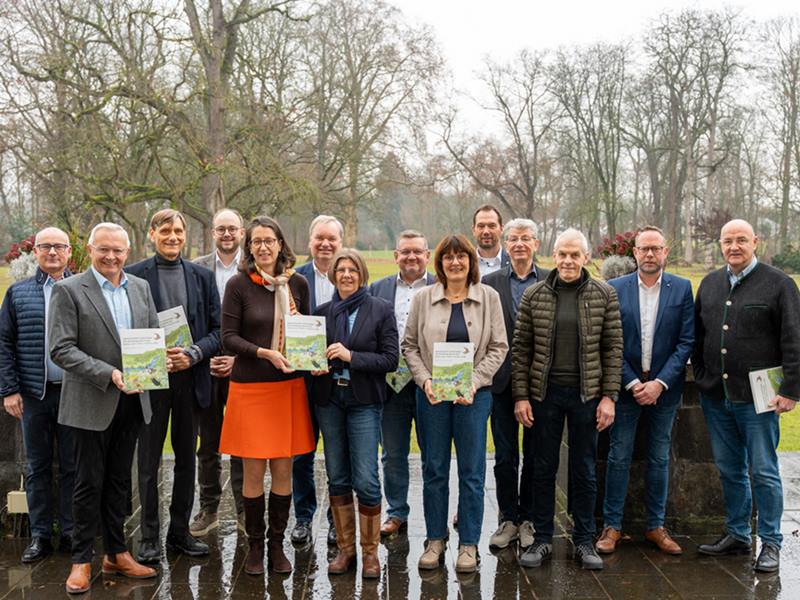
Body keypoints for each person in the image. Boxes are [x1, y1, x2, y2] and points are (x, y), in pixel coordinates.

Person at [49, 223, 159, 594]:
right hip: (91, 401)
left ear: (128, 252)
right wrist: (108, 373)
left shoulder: (140, 287)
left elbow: (151, 334)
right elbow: (61, 349)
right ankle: (81, 560)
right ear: (90, 250)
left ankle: (116, 553)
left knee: (118, 481)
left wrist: (163, 356)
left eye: (118, 250)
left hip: (133, 400)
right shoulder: (69, 290)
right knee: (87, 483)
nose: (111, 257)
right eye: (104, 249)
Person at [511, 228, 622, 571]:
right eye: (562, 254)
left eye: (575, 255)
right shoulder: (534, 295)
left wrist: (609, 397)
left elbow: (613, 348)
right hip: (544, 395)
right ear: (553, 256)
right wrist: (521, 396)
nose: (568, 261)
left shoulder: (604, 294)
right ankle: (543, 538)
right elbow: (521, 350)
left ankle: (584, 539)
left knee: (584, 468)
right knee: (542, 466)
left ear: (586, 257)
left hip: (586, 394)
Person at [693, 219, 800, 573]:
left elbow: (794, 339)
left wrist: (791, 390)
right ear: (720, 244)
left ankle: (770, 541)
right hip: (716, 397)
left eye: (741, 240)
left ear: (755, 242)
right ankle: (738, 534)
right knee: (730, 470)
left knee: (764, 471)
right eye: (727, 241)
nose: (734, 246)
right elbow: (698, 335)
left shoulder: (779, 284)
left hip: (760, 399)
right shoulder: (710, 283)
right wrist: (702, 376)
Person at [402, 234, 507, 573]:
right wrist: (425, 381)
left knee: (472, 472)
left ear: (471, 261)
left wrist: (475, 381)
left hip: (473, 398)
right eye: (448, 257)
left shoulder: (488, 297)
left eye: (462, 256)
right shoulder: (423, 298)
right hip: (432, 397)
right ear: (440, 262)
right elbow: (409, 346)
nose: (455, 262)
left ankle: (468, 544)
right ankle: (435, 540)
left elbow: (499, 347)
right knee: (434, 469)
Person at [219, 215, 315, 575]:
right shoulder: (239, 285)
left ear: (280, 244)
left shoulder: (298, 283)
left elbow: (308, 331)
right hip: (250, 389)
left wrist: (313, 358)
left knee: (284, 471)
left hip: (287, 388)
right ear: (249, 247)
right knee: (253, 472)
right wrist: (264, 353)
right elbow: (228, 338)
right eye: (256, 241)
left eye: (268, 240)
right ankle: (255, 547)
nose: (262, 247)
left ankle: (277, 546)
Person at [126, 209, 221, 563]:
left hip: (189, 379)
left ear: (185, 235)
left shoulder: (202, 277)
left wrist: (193, 354)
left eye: (178, 231)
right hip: (150, 381)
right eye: (165, 230)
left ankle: (179, 533)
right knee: (148, 462)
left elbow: (218, 331)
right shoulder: (133, 275)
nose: (172, 237)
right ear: (152, 234)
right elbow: (126, 327)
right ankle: (149, 537)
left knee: (186, 460)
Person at [597, 226, 694, 555]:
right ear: (634, 253)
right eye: (644, 249)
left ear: (665, 252)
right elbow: (609, 341)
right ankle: (612, 526)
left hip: (664, 389)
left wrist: (659, 383)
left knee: (659, 457)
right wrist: (634, 382)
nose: (650, 254)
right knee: (618, 456)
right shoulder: (615, 288)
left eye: (656, 248)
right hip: (627, 389)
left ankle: (656, 526)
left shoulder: (681, 288)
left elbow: (686, 342)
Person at [311, 248, 398, 578]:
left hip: (364, 401)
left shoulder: (380, 309)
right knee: (337, 476)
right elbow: (310, 356)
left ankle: (370, 553)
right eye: (341, 270)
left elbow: (390, 359)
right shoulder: (322, 313)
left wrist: (351, 356)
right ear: (333, 275)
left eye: (352, 270)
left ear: (362, 274)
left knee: (366, 478)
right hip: (330, 401)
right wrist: (314, 366)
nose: (346, 275)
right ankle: (346, 550)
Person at [0, 227, 75, 563]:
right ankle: (41, 535)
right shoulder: (18, 294)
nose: (52, 252)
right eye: (46, 246)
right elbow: (4, 343)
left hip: (75, 394)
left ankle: (71, 532)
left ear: (69, 252)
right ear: (36, 252)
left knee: (73, 465)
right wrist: (9, 390)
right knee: (37, 466)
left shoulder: (82, 289)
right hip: (33, 395)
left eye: (59, 246)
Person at [481, 218, 549, 551]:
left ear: (536, 243)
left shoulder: (551, 280)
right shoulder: (490, 282)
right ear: (506, 245)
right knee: (505, 456)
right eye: (514, 239)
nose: (519, 244)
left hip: (540, 383)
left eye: (526, 238)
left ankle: (529, 519)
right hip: (501, 381)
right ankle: (508, 518)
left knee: (536, 454)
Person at [369, 230, 435, 537]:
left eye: (417, 251)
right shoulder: (378, 289)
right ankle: (396, 512)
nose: (411, 257)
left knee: (433, 453)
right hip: (391, 386)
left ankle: (435, 513)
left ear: (427, 255)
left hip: (430, 385)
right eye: (405, 251)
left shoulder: (441, 286)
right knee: (392, 453)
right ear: (396, 256)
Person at [191, 208, 246, 537]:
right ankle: (209, 508)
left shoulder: (253, 267)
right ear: (213, 233)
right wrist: (203, 355)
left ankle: (244, 509)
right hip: (206, 366)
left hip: (244, 366)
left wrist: (238, 358)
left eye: (232, 229)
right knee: (207, 442)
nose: (226, 234)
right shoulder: (197, 268)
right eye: (221, 229)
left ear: (241, 232)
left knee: (242, 443)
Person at [292, 215, 343, 545]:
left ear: (341, 242)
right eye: (319, 238)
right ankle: (303, 517)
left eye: (331, 239)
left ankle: (337, 520)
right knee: (302, 454)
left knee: (338, 455)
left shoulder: (350, 276)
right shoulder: (294, 280)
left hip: (339, 381)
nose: (325, 244)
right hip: (302, 380)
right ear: (309, 242)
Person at [471, 204, 511, 278]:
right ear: (473, 230)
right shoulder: (465, 264)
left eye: (492, 226)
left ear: (502, 228)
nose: (486, 231)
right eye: (481, 226)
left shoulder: (514, 264)